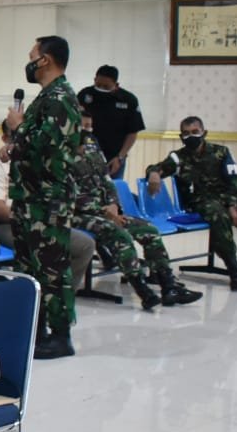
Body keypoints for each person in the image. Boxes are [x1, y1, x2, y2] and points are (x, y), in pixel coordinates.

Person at [69, 112, 203, 309]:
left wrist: (114, 205)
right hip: (77, 216)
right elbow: (67, 196)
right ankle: (143, 291)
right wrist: (104, 211)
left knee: (149, 230)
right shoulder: (60, 154)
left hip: (106, 212)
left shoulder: (92, 147)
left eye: (90, 126)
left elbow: (107, 181)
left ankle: (169, 287)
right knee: (118, 234)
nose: (87, 131)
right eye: (83, 127)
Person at [3, 34, 82, 359]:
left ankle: (60, 337)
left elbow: (47, 147)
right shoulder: (46, 97)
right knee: (29, 268)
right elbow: (32, 144)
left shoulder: (60, 98)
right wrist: (14, 143)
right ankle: (35, 331)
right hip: (30, 197)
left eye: (32, 56)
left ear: (45, 60)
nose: (29, 63)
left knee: (51, 269)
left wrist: (18, 127)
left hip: (48, 200)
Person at [145, 116, 237, 291]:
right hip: (201, 201)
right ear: (181, 136)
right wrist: (154, 174)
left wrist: (232, 207)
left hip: (230, 197)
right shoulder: (178, 157)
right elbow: (155, 168)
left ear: (204, 133)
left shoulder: (222, 153)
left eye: (195, 132)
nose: (191, 137)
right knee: (218, 216)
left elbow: (234, 182)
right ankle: (234, 269)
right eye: (186, 133)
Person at [0, 125, 96, 294]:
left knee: (85, 245)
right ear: (6, 139)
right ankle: (37, 296)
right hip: (6, 226)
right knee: (47, 242)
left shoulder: (35, 164)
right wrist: (33, 217)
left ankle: (61, 295)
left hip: (40, 221)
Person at [77, 65, 145, 177]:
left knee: (112, 187)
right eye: (98, 85)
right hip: (86, 156)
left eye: (106, 86)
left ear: (116, 85)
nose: (101, 88)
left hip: (113, 159)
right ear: (94, 80)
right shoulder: (84, 95)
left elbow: (132, 133)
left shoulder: (128, 100)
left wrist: (120, 157)